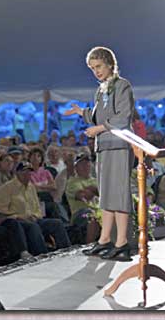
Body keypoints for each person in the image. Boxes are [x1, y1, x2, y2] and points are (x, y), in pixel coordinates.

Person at [64, 46, 134, 261]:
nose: (96, 71)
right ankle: (104, 239)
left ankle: (122, 242)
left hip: (120, 145)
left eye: (99, 66)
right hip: (103, 146)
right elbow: (98, 116)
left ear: (110, 64)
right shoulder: (101, 89)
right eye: (92, 68)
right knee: (106, 195)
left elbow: (123, 116)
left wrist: (99, 129)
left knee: (119, 194)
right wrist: (82, 113)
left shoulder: (123, 86)